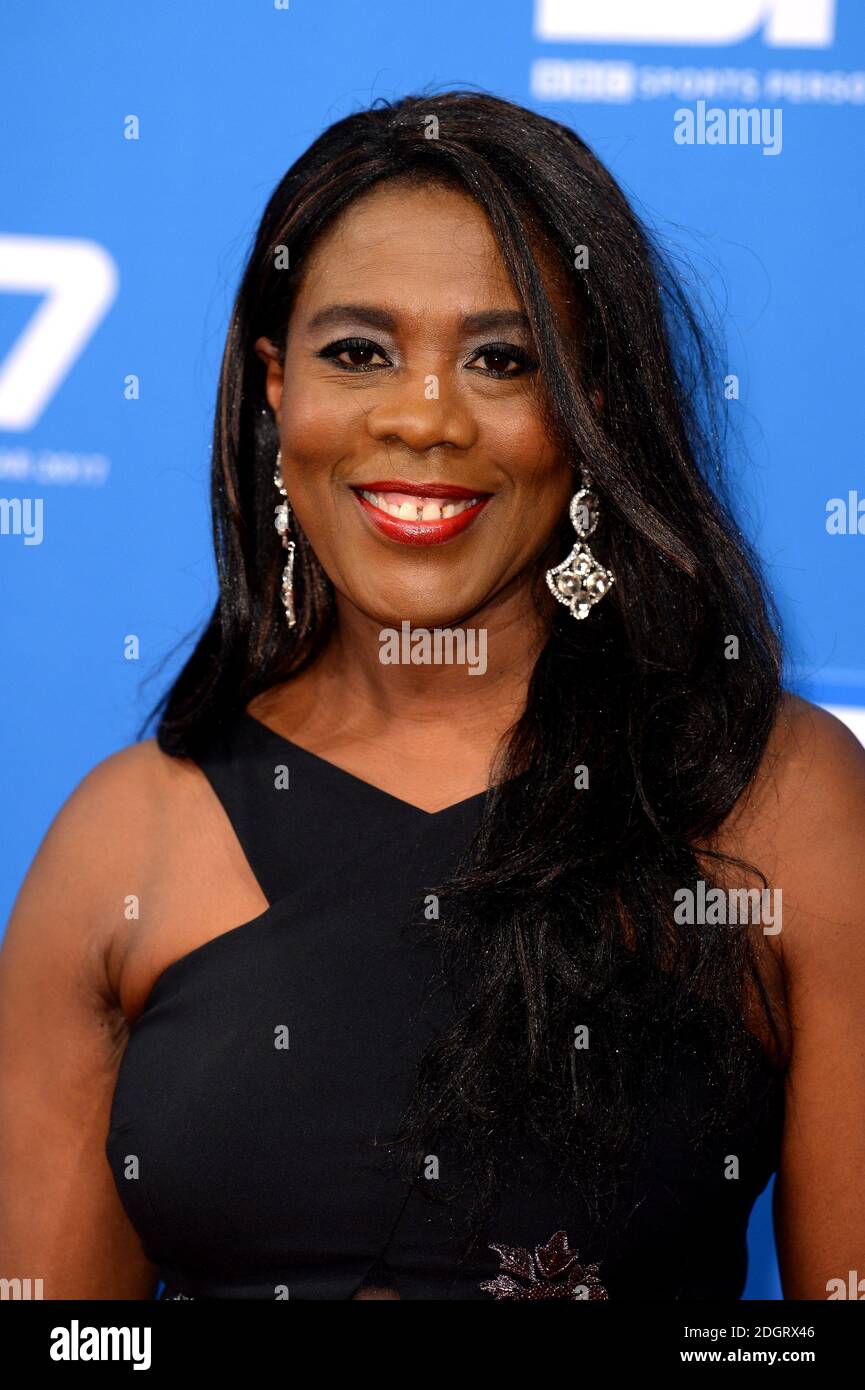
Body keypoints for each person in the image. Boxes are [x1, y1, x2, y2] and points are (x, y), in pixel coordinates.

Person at [1, 90, 863, 1301]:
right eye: (357, 352)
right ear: (273, 390)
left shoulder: (770, 798)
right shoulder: (121, 838)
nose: (422, 415)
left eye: (502, 360)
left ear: (590, 412)